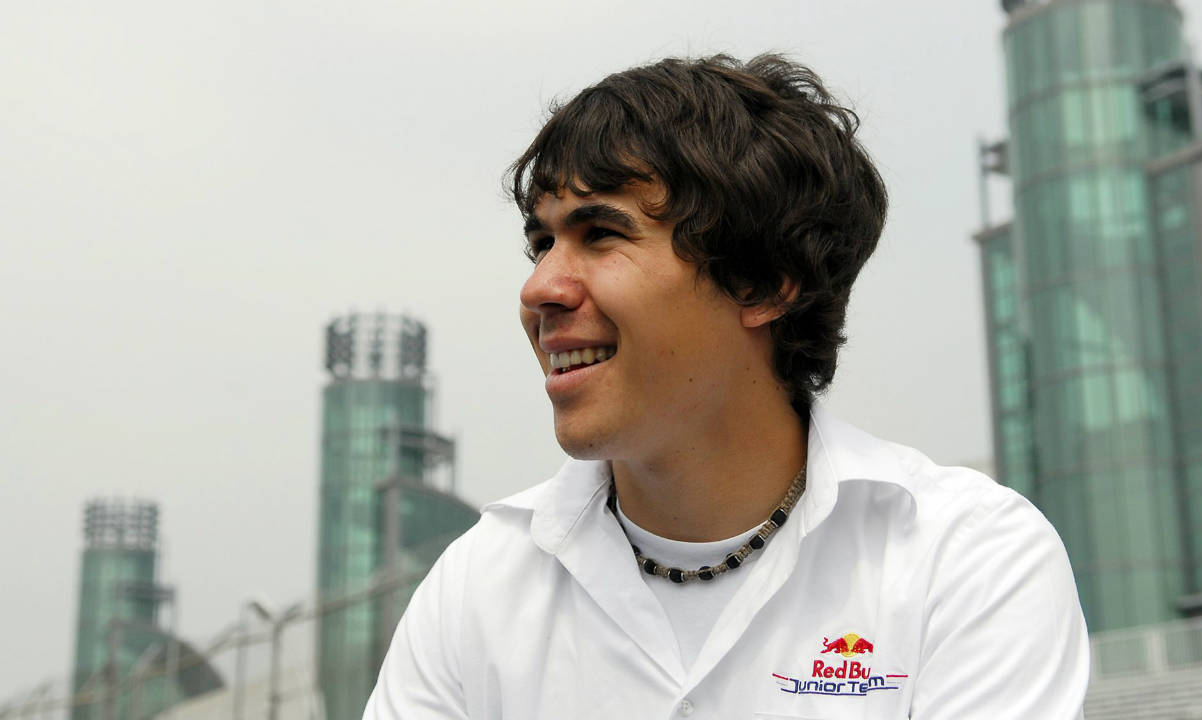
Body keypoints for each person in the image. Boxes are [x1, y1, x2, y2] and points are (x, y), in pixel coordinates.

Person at [365, 53, 1089, 719]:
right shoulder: (479, 582)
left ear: (766, 282)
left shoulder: (965, 558)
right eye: (541, 242)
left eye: (602, 234)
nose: (541, 287)